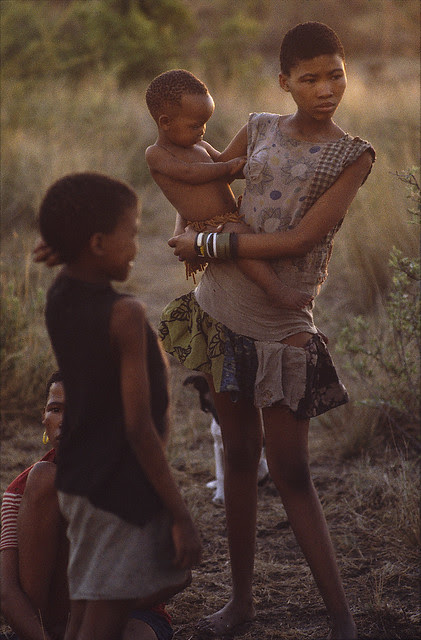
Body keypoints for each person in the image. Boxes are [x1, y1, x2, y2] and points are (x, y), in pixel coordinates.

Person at [159, 22, 375, 640]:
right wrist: (184, 222)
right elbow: (210, 183)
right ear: (284, 82)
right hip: (223, 311)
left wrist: (204, 242)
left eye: (334, 74)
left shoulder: (351, 154)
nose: (325, 89)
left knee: (293, 472)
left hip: (281, 326)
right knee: (236, 456)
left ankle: (342, 619)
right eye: (309, 78)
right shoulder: (256, 128)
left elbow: (303, 239)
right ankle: (242, 604)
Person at [37, 172, 202, 640]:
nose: (136, 245)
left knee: (85, 610)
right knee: (103, 624)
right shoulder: (125, 315)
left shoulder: (59, 297)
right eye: (131, 233)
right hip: (117, 488)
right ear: (97, 243)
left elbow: (71, 258)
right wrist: (179, 514)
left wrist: (66, 249)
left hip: (78, 480)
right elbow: (139, 429)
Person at [0, 372, 177, 640]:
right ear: (44, 419)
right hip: (47, 622)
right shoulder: (23, 490)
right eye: (56, 410)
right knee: (44, 477)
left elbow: (179, 574)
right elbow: (7, 590)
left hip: (124, 612)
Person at [145, 69, 313, 310]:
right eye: (195, 125)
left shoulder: (201, 145)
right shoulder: (157, 154)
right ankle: (275, 290)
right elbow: (190, 174)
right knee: (241, 243)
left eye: (205, 124)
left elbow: (226, 168)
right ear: (165, 122)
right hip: (208, 223)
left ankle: (271, 285)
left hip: (229, 214)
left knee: (251, 239)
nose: (202, 131)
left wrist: (249, 165)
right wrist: (226, 168)